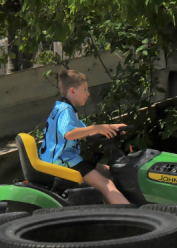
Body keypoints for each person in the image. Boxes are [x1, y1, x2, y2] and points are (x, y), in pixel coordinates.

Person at [39, 69, 130, 205]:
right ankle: (129, 217)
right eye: (85, 89)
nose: (88, 94)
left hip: (65, 159)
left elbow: (85, 132)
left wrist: (113, 128)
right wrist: (98, 128)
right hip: (64, 161)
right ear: (72, 91)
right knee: (106, 184)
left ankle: (111, 211)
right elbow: (69, 134)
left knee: (108, 172)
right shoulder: (65, 111)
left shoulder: (62, 108)